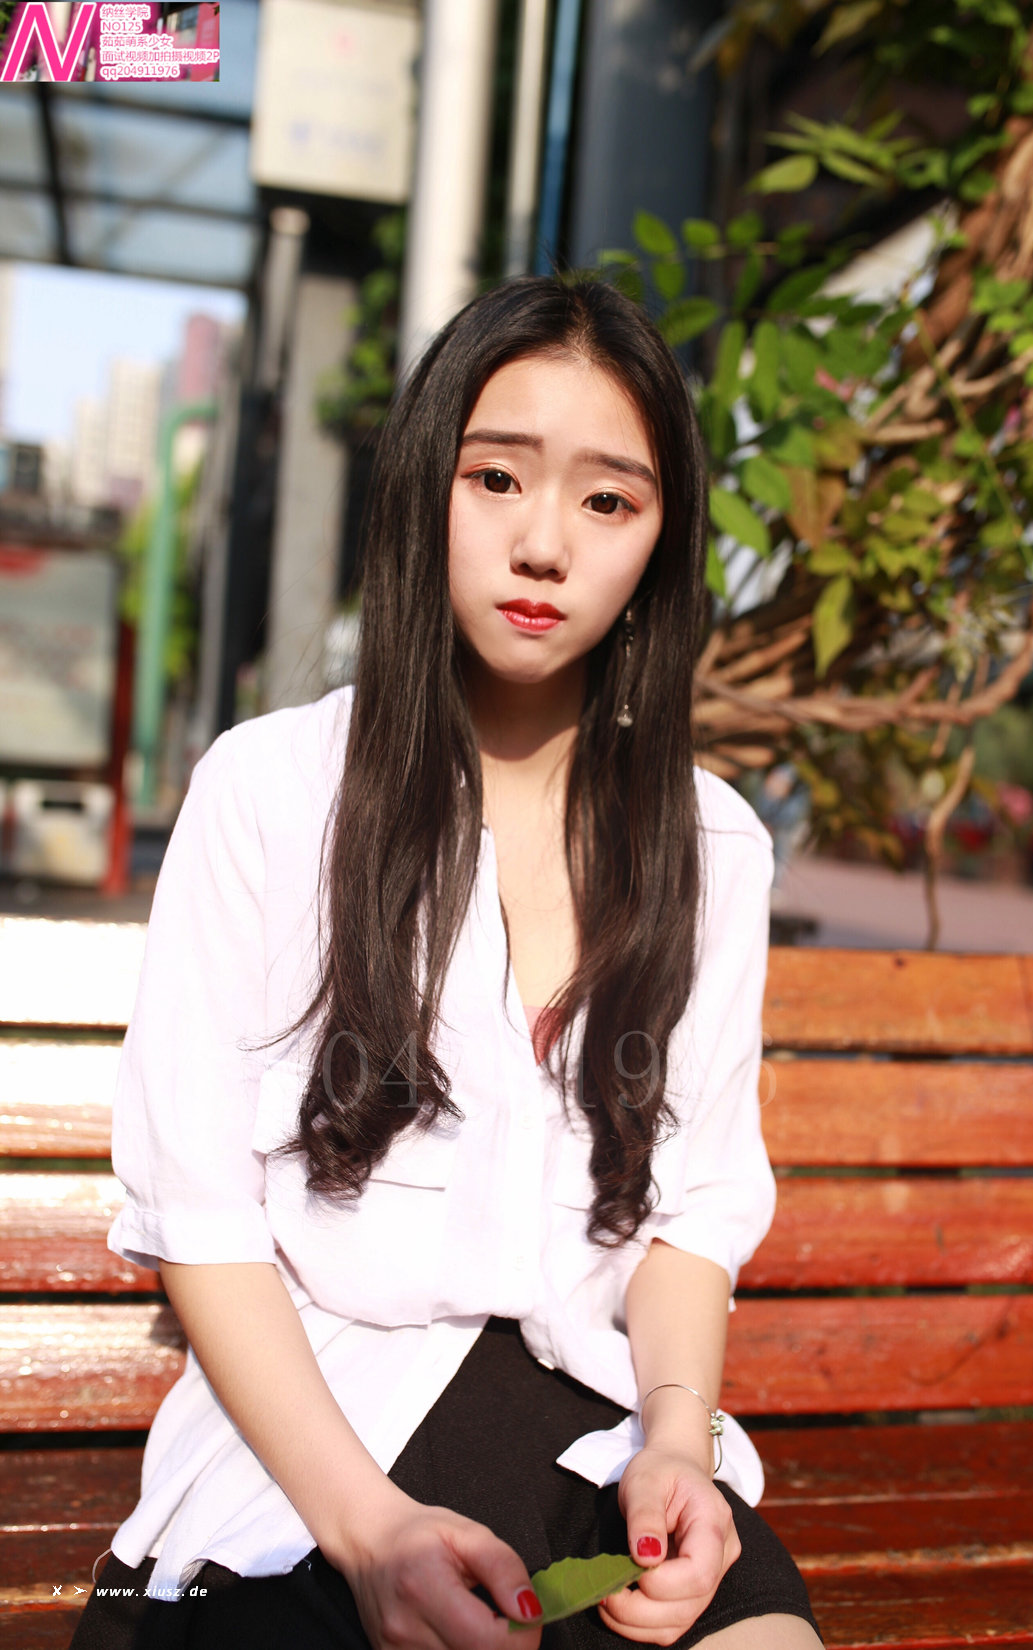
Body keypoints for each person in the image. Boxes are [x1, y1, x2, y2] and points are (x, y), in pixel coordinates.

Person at [69, 275, 824, 1650]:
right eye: (498, 478)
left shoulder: (710, 845)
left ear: (661, 541)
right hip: (317, 1458)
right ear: (427, 489)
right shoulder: (273, 793)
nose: (545, 544)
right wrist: (368, 1531)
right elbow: (205, 1218)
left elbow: (693, 1213)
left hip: (599, 1439)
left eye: (610, 501)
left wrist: (678, 1440)